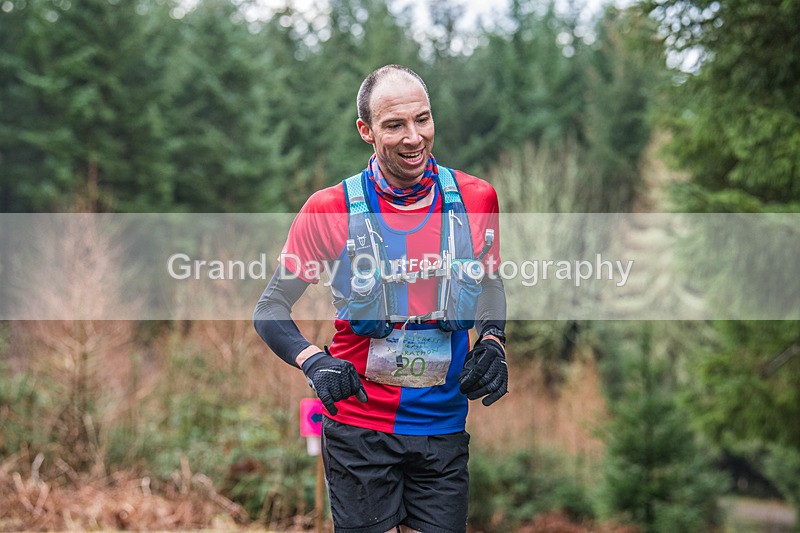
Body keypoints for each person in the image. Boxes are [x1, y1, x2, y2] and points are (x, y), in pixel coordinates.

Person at [254, 64, 508, 533]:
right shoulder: (330, 208)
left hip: (443, 425)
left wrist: (493, 341)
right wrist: (314, 362)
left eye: (423, 119)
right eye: (394, 125)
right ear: (366, 131)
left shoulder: (476, 198)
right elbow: (270, 309)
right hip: (359, 427)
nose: (414, 137)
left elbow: (489, 283)